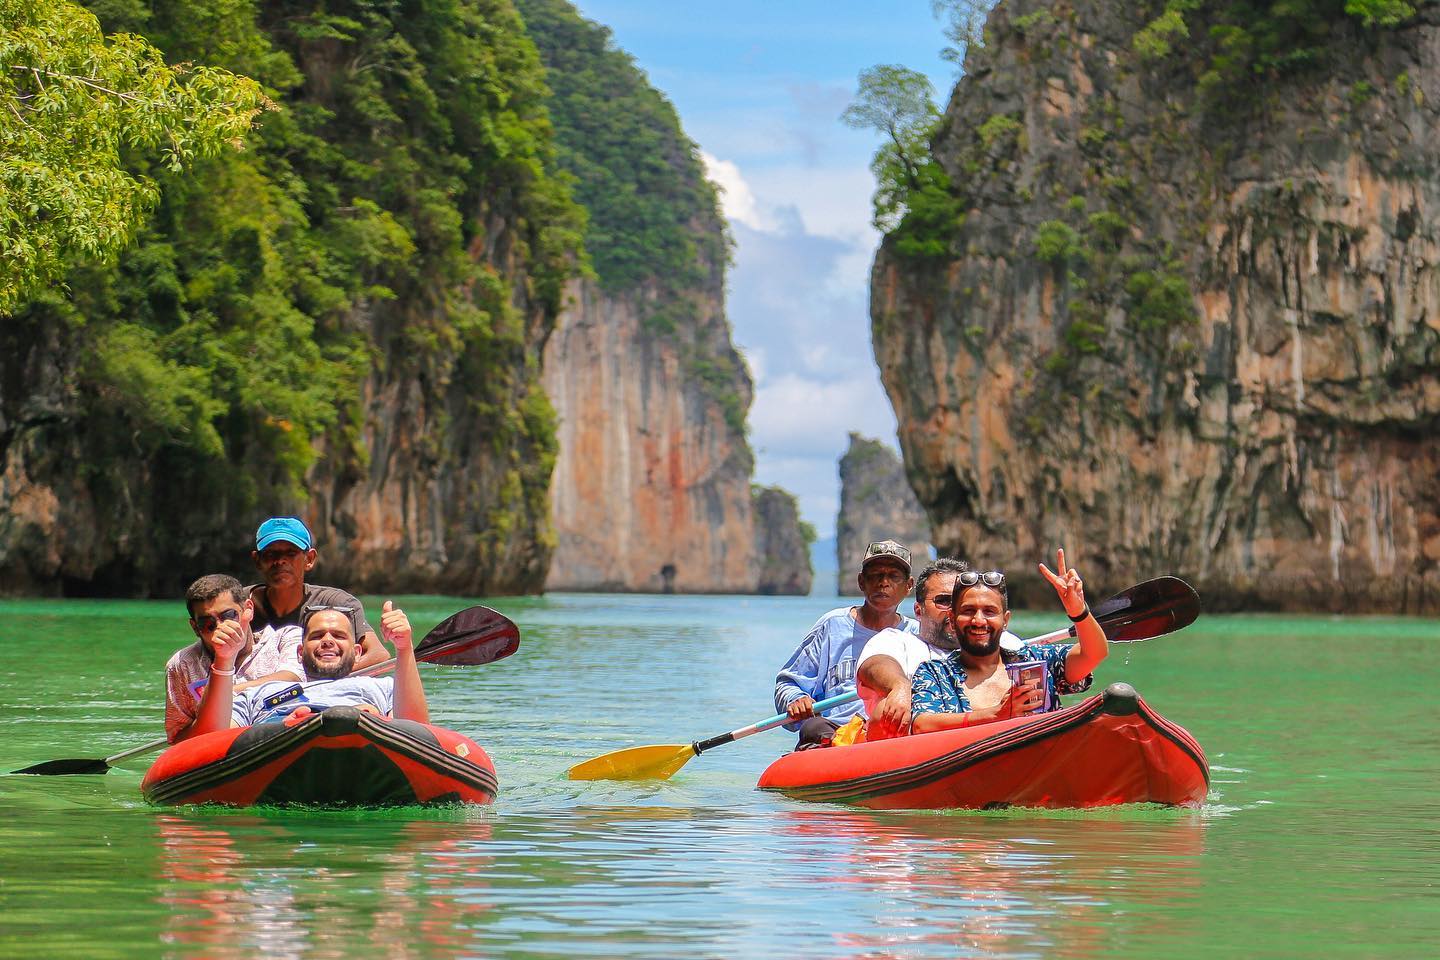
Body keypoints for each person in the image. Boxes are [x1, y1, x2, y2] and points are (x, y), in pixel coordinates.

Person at [909, 548, 1108, 733]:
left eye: (989, 611)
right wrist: (995, 715)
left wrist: (1078, 612)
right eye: (968, 611)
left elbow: (1094, 653)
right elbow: (921, 724)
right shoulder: (936, 673)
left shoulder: (1034, 660)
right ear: (952, 621)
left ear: (1005, 621)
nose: (979, 620)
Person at [186, 601, 427, 736]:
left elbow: (417, 729)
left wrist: (404, 647)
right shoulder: (257, 694)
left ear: (357, 652)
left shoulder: (384, 688)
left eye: (339, 636)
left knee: (363, 715)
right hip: (279, 737)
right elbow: (212, 739)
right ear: (300, 654)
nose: (328, 640)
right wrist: (225, 660)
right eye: (318, 635)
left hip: (367, 731)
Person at [855, 558, 1023, 741]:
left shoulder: (1000, 639)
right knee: (883, 709)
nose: (955, 610)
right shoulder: (897, 640)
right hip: (925, 751)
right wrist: (899, 686)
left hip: (1003, 739)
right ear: (918, 611)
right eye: (944, 601)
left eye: (962, 603)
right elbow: (875, 664)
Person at [774, 539, 918, 748]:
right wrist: (796, 699)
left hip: (894, 736)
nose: (883, 582)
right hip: (837, 734)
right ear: (861, 582)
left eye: (893, 576)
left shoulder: (916, 635)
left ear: (908, 586)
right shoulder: (832, 626)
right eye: (875, 575)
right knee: (812, 728)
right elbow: (788, 683)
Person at [165, 574, 304, 743]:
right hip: (218, 751)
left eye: (229, 615)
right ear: (195, 627)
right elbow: (177, 736)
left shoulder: (286, 638)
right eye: (207, 624)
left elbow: (292, 677)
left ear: (248, 609)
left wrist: (226, 691)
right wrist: (224, 659)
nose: (221, 628)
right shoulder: (182, 664)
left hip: (280, 737)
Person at [247, 516, 389, 670]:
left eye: (291, 553)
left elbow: (378, 655)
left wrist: (316, 676)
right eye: (270, 554)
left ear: (309, 559)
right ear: (257, 560)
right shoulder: (238, 604)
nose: (280, 561)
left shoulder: (337, 604)